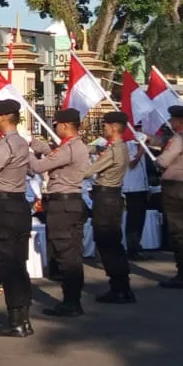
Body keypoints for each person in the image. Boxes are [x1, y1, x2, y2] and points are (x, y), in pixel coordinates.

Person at [0, 99, 37, 336]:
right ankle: (23, 317)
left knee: (7, 263)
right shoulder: (21, 142)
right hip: (19, 204)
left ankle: (16, 321)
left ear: (2, 117)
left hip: (3, 206)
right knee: (18, 264)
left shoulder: (5, 145)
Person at [26, 108, 91, 316]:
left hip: (63, 204)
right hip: (71, 202)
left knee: (65, 254)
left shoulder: (68, 148)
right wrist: (46, 150)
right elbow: (55, 159)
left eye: (56, 125)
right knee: (72, 252)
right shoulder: (75, 146)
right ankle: (73, 300)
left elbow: (37, 167)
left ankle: (71, 302)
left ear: (63, 125)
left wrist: (24, 152)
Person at [82, 111, 136, 303]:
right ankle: (122, 286)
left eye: (105, 125)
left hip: (106, 198)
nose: (103, 128)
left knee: (107, 242)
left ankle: (118, 287)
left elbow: (88, 171)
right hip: (112, 197)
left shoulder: (114, 150)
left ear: (113, 128)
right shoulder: (118, 147)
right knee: (114, 243)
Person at [152, 106, 183, 289]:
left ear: (179, 120)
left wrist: (156, 160)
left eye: (172, 119)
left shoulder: (179, 138)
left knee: (180, 233)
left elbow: (164, 160)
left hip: (175, 188)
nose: (170, 122)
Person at [122, 130, 150, 261]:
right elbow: (131, 164)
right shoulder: (126, 146)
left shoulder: (139, 145)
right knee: (133, 220)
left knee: (140, 219)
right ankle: (132, 248)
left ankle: (137, 246)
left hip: (142, 187)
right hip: (132, 187)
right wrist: (140, 152)